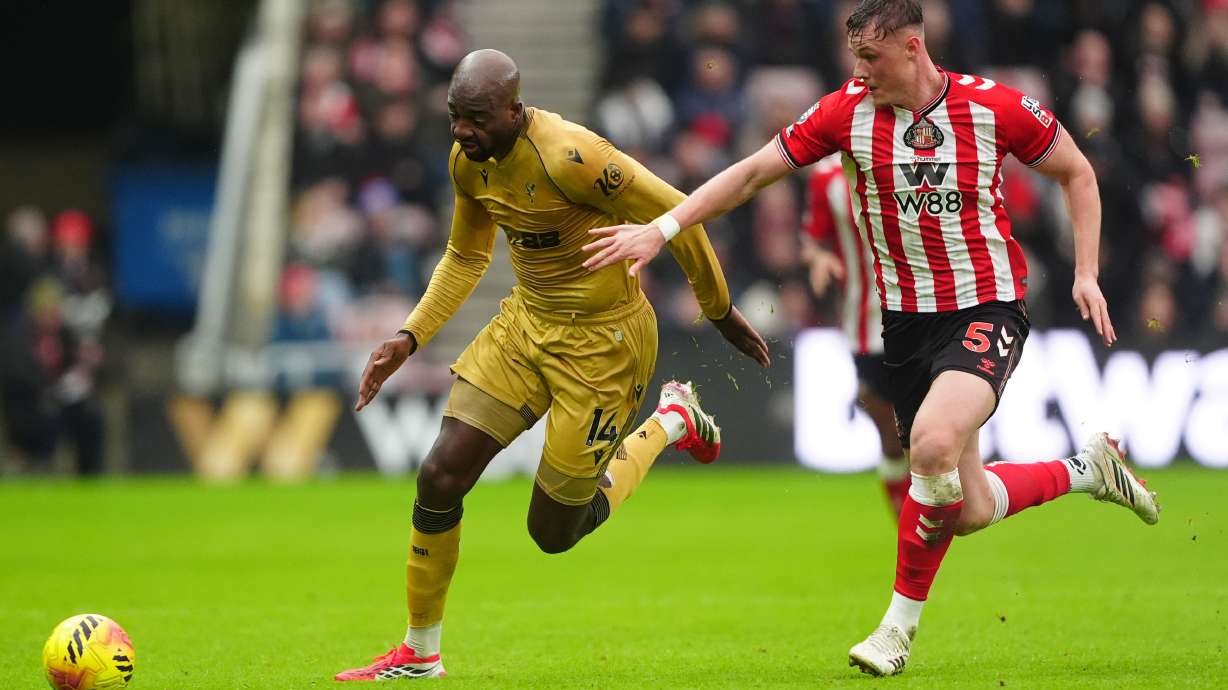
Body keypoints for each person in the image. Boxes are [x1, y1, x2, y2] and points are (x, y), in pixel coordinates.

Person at [582, 0, 1159, 677]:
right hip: (906, 328)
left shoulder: (993, 107)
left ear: (913, 48)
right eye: (854, 56)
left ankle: (895, 630)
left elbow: (1077, 172)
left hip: (987, 308)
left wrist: (1086, 271)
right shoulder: (845, 114)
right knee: (968, 508)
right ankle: (1088, 470)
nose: (858, 71)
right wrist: (665, 228)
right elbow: (752, 173)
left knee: (932, 446)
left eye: (870, 57)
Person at [334, 49, 769, 682]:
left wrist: (719, 310)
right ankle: (420, 653)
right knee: (439, 475)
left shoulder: (572, 156)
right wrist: (410, 336)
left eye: (476, 118)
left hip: (604, 346)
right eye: (455, 115)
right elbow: (465, 255)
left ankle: (671, 419)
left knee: (554, 532)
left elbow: (679, 212)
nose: (461, 130)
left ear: (514, 110)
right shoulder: (467, 160)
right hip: (526, 325)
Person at [800, 153, 908, 517]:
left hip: (926, 313)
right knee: (890, 433)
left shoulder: (916, 155)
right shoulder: (827, 176)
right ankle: (908, 525)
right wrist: (818, 258)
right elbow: (812, 239)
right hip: (865, 322)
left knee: (926, 432)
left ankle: (930, 515)